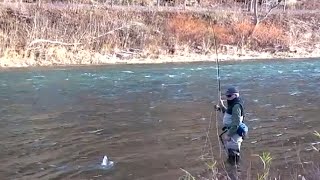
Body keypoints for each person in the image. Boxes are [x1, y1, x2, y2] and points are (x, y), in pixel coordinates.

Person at [215, 86, 247, 165]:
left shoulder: (236, 106)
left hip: (234, 133)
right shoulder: (233, 105)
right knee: (231, 154)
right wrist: (221, 107)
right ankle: (232, 171)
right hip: (232, 132)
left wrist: (229, 135)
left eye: (229, 96)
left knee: (234, 156)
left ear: (236, 95)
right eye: (226, 96)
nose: (227, 98)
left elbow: (236, 123)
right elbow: (229, 114)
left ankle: (234, 172)